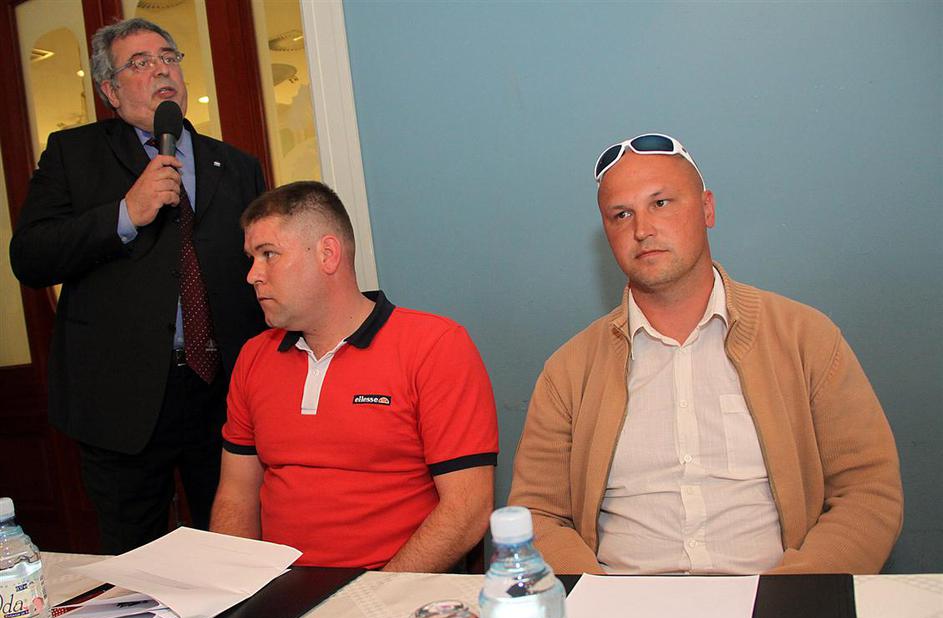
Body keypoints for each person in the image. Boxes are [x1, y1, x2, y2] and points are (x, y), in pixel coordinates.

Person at [508, 133, 903, 575]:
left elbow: (868, 492)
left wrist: (792, 595)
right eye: (622, 214)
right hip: (618, 600)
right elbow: (538, 515)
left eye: (661, 203)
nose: (642, 230)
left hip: (776, 597)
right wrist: (597, 598)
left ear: (707, 208)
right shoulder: (568, 371)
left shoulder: (805, 339)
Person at [9, 18, 267, 554]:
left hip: (223, 392)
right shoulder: (73, 154)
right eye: (140, 63)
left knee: (236, 550)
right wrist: (125, 213)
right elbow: (30, 256)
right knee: (136, 561)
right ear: (109, 90)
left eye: (168, 57)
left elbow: (260, 267)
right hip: (120, 398)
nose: (161, 70)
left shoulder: (236, 165)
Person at [210, 181, 499, 571]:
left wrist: (375, 595)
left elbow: (468, 509)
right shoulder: (254, 357)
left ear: (328, 254)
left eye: (269, 254)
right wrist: (235, 584)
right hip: (279, 589)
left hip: (394, 585)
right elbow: (236, 495)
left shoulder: (434, 346)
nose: (253, 275)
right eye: (252, 258)